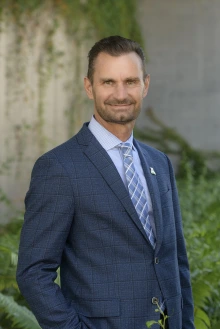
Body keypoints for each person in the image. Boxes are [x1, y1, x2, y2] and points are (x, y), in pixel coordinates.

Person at [16, 35, 195, 329]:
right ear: (89, 87)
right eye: (108, 82)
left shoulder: (159, 163)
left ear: (145, 85)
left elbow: (175, 259)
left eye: (131, 81)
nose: (121, 93)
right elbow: (33, 272)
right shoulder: (59, 168)